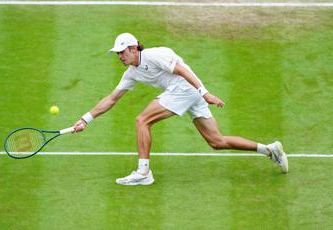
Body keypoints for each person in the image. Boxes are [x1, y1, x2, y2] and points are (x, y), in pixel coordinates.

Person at [73, 33, 288, 186]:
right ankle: (269, 150)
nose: (120, 56)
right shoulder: (131, 72)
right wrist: (85, 119)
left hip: (185, 88)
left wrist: (205, 93)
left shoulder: (154, 55)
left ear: (134, 48)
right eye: (117, 53)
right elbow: (112, 99)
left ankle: (143, 173)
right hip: (186, 93)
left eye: (122, 52)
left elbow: (182, 70)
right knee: (216, 142)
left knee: (142, 120)